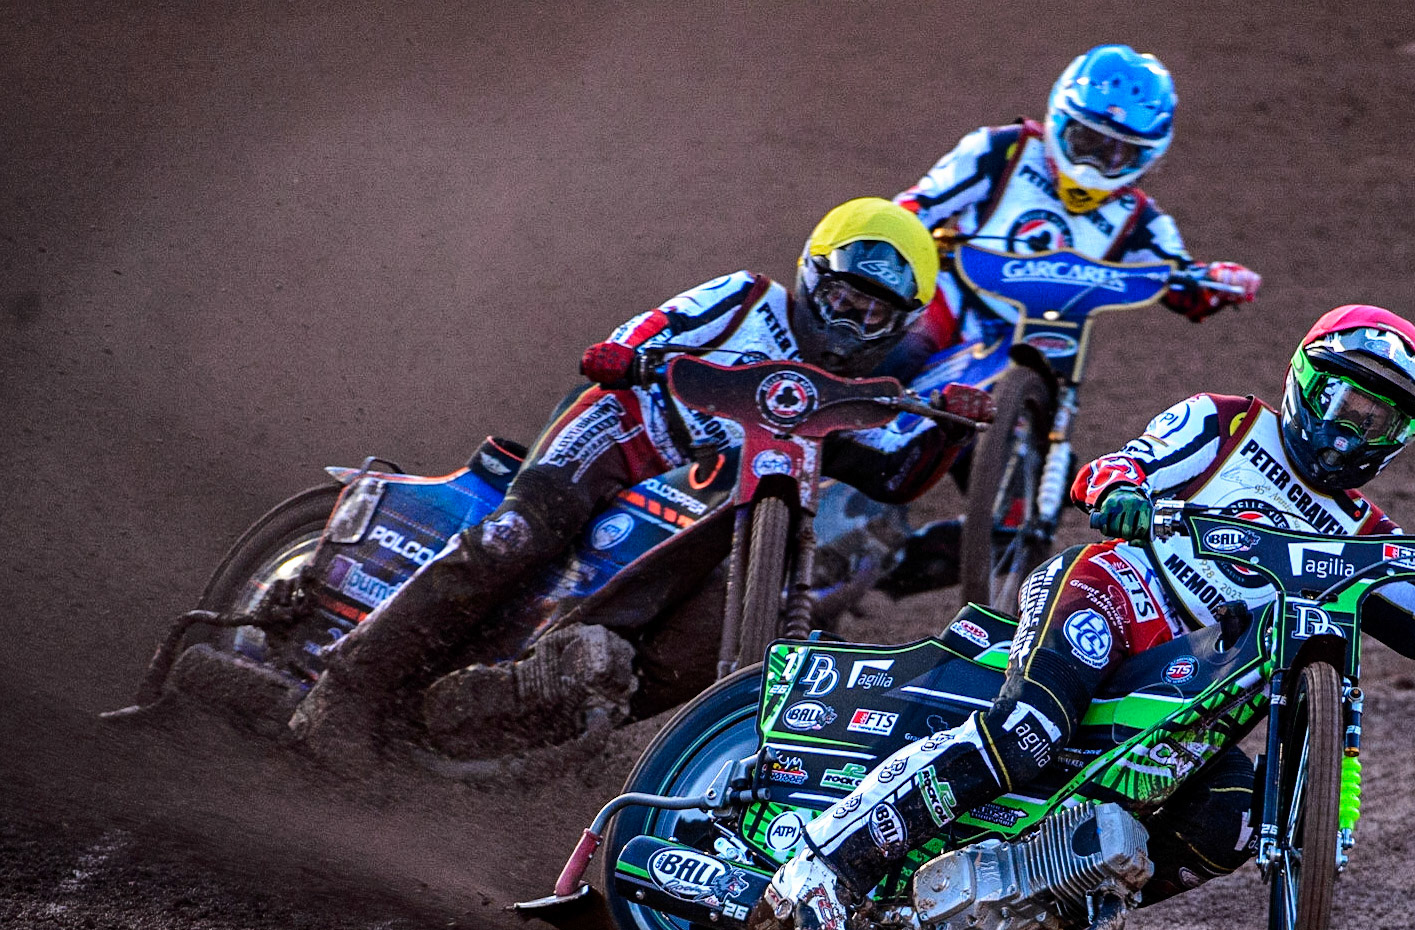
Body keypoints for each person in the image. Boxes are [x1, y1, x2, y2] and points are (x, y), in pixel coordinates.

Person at [759, 304, 1415, 930]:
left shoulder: (1366, 534)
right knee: (1028, 728)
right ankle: (829, 861)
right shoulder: (1225, 423)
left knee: (1233, 811)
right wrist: (1125, 493)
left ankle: (1047, 903)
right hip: (1115, 591)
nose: (1346, 427)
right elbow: (1112, 468)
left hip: (1191, 685)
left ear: (1399, 434)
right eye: (1338, 399)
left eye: (1372, 417)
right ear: (1304, 380)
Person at [290, 198, 998, 751]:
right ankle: (346, 692)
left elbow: (894, 477)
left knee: (702, 646)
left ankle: (513, 716)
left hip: (707, 521)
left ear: (899, 323)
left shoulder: (852, 395)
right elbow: (655, 324)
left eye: (875, 311)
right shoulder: (748, 297)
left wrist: (947, 422)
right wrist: (623, 353)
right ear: (813, 273)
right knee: (516, 534)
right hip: (622, 439)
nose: (852, 319)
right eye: (846, 296)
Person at [885, 44, 1262, 370]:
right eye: (1086, 141)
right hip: (954, 298)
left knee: (1032, 427)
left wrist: (1222, 279)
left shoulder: (1140, 220)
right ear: (1059, 120)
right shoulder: (1002, 149)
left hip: (1043, 338)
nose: (1093, 165)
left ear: (1145, 157)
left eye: (1118, 152)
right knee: (902, 351)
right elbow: (918, 204)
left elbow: (1182, 280)